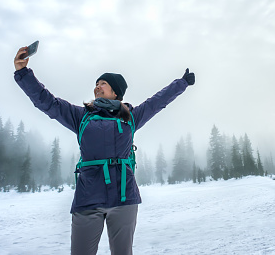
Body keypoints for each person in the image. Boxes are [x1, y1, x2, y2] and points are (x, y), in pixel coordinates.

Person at [13, 45, 195, 255]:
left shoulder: (131, 117)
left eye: (103, 83)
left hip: (124, 198)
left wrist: (181, 84)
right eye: (96, 84)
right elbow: (47, 102)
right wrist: (22, 72)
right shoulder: (81, 116)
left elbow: (157, 102)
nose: (97, 87)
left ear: (116, 91)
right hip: (88, 197)